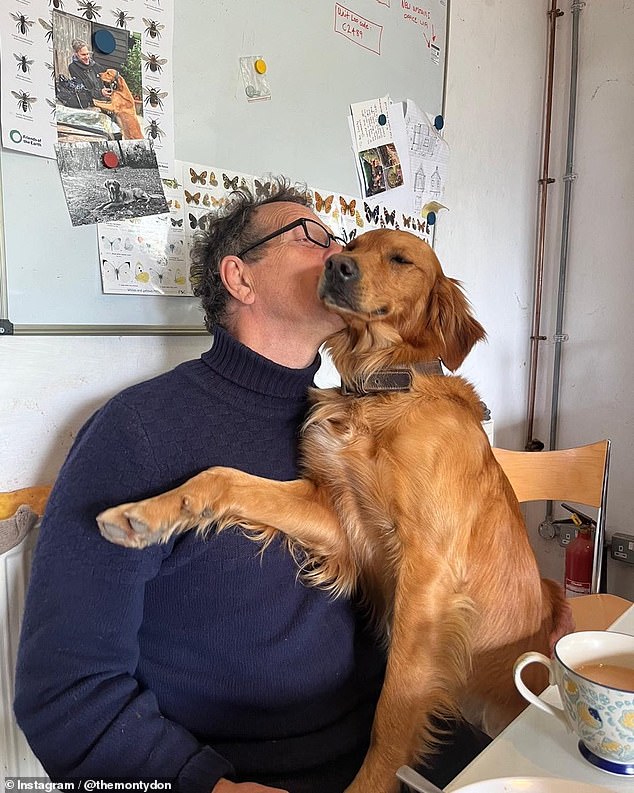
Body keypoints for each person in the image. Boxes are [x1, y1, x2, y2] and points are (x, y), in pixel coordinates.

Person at [14, 178, 491, 792]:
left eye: (338, 240)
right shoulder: (138, 430)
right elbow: (64, 690)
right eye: (309, 238)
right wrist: (209, 786)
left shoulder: (348, 420)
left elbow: (418, 588)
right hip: (252, 774)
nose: (340, 255)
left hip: (384, 742)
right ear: (240, 279)